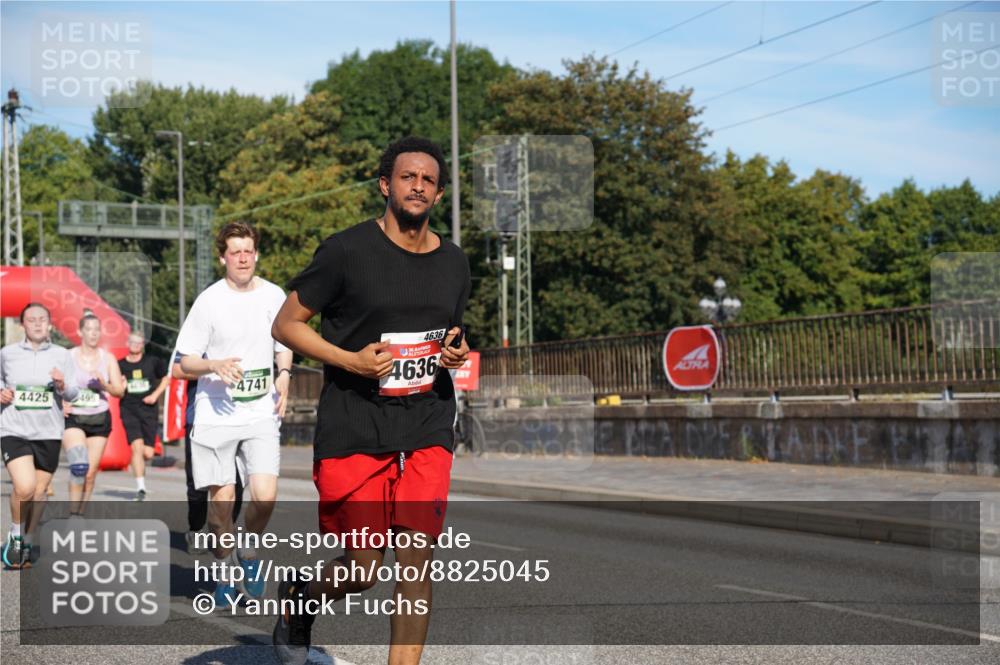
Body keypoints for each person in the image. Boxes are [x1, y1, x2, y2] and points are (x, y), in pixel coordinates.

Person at [271, 136, 471, 665]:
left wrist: (455, 351)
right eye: (408, 176)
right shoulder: (345, 252)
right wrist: (350, 360)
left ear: (439, 193)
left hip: (427, 420)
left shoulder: (454, 262)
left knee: (416, 561)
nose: (418, 186)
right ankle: (302, 598)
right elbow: (286, 325)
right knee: (364, 569)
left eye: (428, 180)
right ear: (385, 185)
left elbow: (449, 332)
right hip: (356, 422)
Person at [174, 221, 291, 607]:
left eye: (248, 251)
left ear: (256, 254)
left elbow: (285, 342)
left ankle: (249, 550)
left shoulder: (274, 295)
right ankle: (224, 573)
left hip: (260, 410)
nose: (242, 258)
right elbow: (183, 363)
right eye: (235, 252)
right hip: (216, 414)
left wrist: (285, 374)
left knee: (266, 496)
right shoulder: (209, 301)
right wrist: (214, 365)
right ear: (223, 257)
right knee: (220, 508)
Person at [1, 303, 80, 569]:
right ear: (22, 324)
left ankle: (28, 539)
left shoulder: (62, 355)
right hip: (14, 429)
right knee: (24, 487)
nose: (37, 324)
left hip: (48, 432)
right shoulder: (7, 354)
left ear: (50, 325)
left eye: (42, 319)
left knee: (38, 491)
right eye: (31, 319)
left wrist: (62, 385)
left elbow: (74, 394)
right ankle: (15, 535)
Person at [170, 352, 245, 555]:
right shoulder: (196, 338)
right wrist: (215, 368)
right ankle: (196, 530)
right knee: (198, 483)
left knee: (236, 482)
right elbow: (177, 370)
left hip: (235, 418)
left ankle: (225, 530)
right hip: (199, 419)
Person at [63, 311, 125, 517]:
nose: (93, 333)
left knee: (89, 474)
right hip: (74, 417)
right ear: (80, 331)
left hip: (99, 418)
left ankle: (80, 513)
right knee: (79, 466)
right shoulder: (68, 356)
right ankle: (73, 514)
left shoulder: (108, 359)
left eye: (97, 329)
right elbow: (55, 384)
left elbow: (119, 391)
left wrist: (104, 385)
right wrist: (61, 402)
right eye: (89, 329)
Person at [118, 330, 169, 501]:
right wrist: (120, 386)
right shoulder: (120, 365)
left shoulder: (152, 361)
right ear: (127, 344)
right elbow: (115, 387)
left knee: (147, 453)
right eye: (132, 342)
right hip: (129, 409)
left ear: (143, 345)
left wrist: (155, 395)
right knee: (136, 448)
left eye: (138, 342)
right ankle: (141, 488)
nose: (135, 345)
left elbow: (166, 379)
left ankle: (140, 468)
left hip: (148, 410)